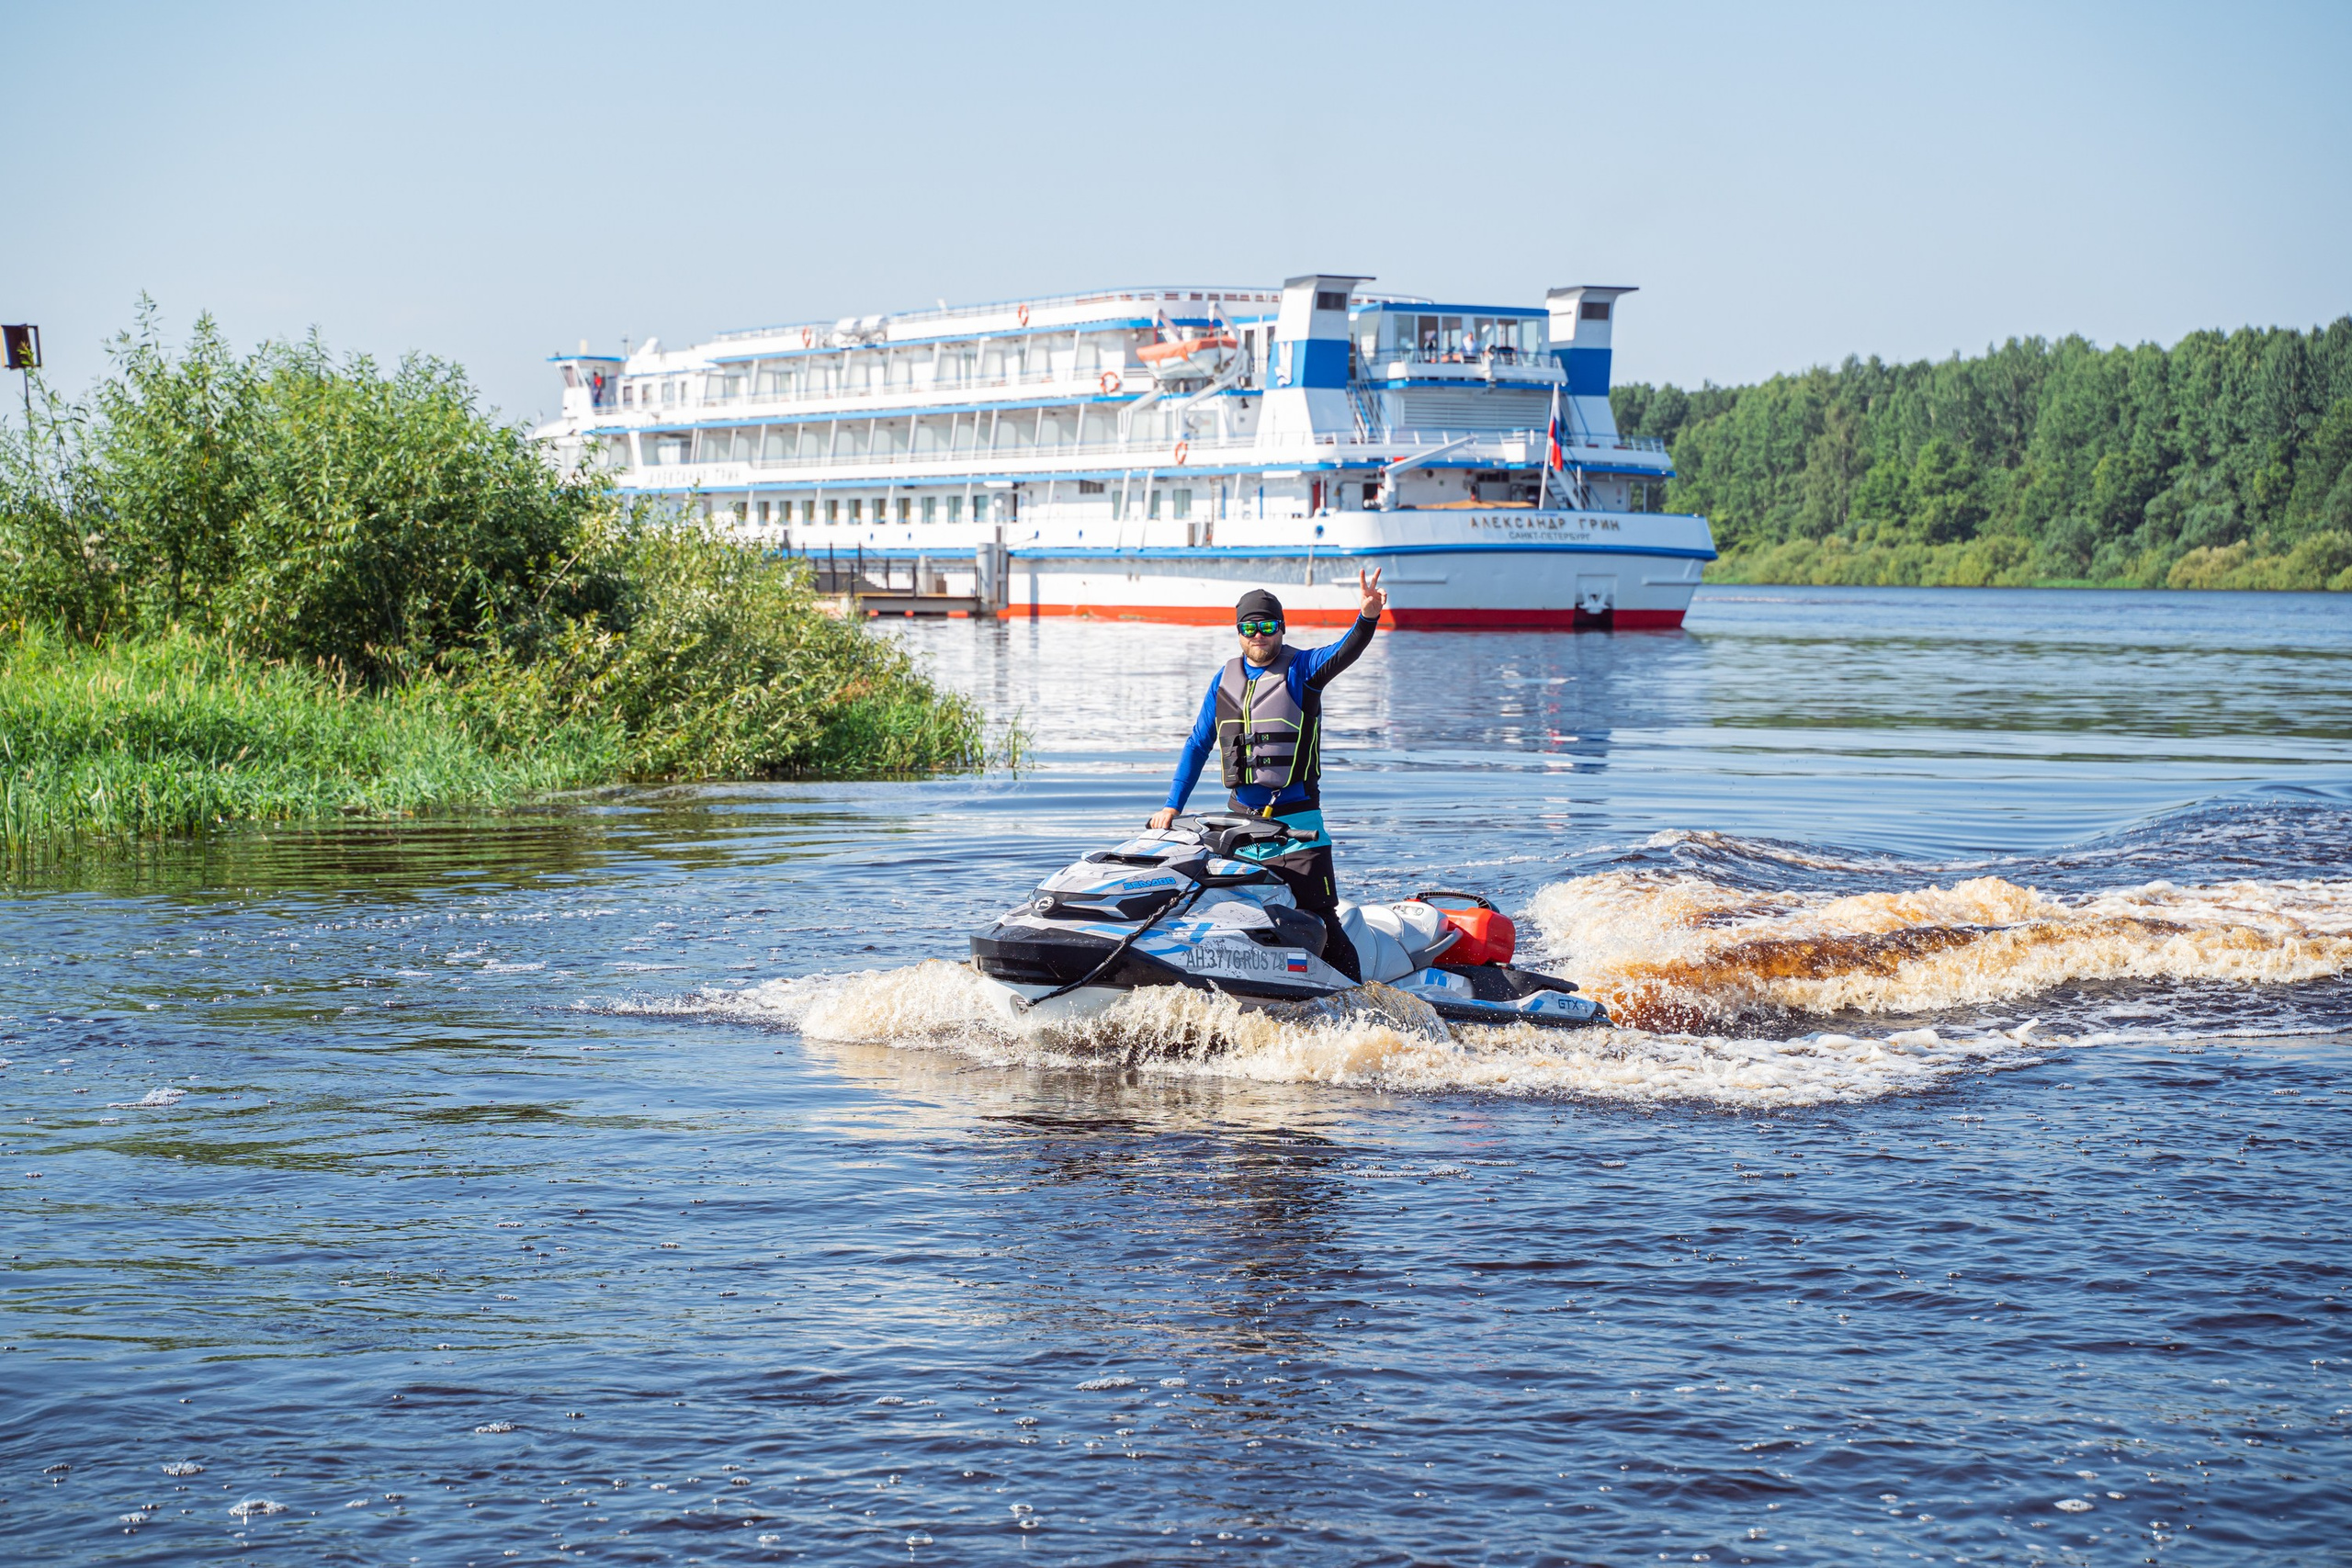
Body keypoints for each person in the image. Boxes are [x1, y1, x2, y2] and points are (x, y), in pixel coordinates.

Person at [1148, 570, 1387, 982]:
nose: (1259, 635)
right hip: (1239, 827)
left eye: (1267, 626)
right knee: (1227, 920)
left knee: (1321, 924)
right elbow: (1197, 745)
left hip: (1298, 827)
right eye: (1250, 627)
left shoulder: (1303, 669)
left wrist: (1366, 618)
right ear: (1239, 632)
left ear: (1281, 628)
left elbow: (1344, 651)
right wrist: (1172, 805)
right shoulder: (1224, 680)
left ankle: (1360, 1002)